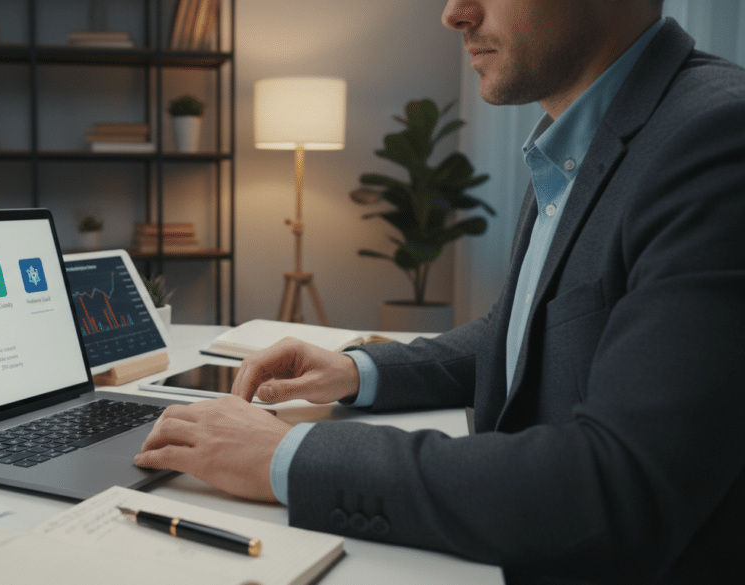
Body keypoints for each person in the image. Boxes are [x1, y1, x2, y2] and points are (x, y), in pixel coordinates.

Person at [135, 0, 745, 582]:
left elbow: (620, 489)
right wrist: (359, 369)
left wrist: (292, 455)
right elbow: (527, 330)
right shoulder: (579, 136)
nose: (453, 13)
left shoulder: (715, 137)